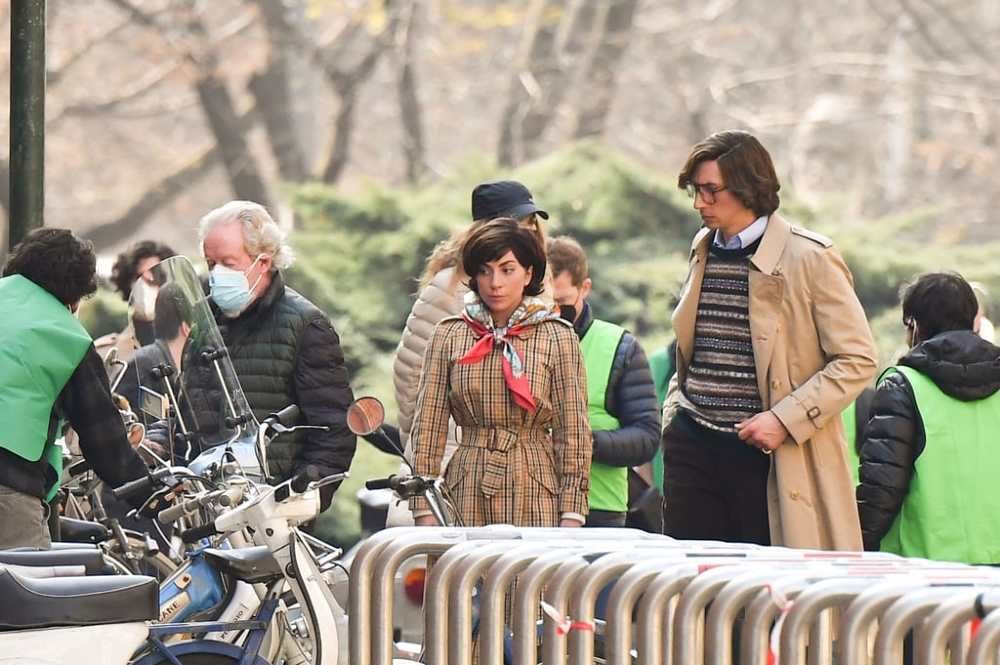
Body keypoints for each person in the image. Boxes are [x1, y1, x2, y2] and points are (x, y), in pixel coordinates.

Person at [663, 129, 877, 549]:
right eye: (695, 190)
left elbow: (857, 359)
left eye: (710, 191)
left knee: (764, 584)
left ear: (747, 187)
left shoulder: (810, 257)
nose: (699, 203)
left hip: (766, 453)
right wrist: (675, 411)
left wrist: (784, 419)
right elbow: (692, 349)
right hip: (692, 444)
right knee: (692, 580)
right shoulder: (702, 247)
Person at [388, 180, 551, 526]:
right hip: (455, 459)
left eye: (531, 224)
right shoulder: (450, 288)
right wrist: (437, 438)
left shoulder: (537, 288)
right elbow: (411, 373)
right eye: (517, 223)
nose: (527, 232)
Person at [409, 218, 591, 527]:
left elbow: (573, 432)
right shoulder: (449, 334)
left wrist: (572, 513)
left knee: (531, 562)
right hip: (465, 484)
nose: (495, 283)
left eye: (507, 270)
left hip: (536, 485)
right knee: (463, 561)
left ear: (528, 273)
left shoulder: (557, 336)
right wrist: (423, 507)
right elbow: (428, 426)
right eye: (485, 270)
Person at [194, 201, 356, 507]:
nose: (216, 274)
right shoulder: (204, 320)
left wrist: (297, 498)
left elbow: (332, 429)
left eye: (228, 262)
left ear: (264, 261)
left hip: (273, 508)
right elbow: (186, 403)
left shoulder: (305, 324)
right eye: (210, 263)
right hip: (206, 499)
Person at [0, 228, 149, 549]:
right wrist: (153, 496)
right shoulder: (65, 336)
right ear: (75, 294)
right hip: (7, 486)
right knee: (27, 579)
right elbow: (105, 443)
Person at [857, 272, 1000, 563]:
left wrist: (859, 544)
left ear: (914, 325)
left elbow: (882, 486)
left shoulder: (902, 385)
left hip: (920, 566)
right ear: (973, 320)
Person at [548, 235, 659, 527]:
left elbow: (646, 438)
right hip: (528, 504)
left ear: (584, 288)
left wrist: (584, 442)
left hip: (598, 510)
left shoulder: (620, 347)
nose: (552, 314)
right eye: (543, 303)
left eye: (561, 303)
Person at [95, 240, 177, 377]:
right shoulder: (109, 353)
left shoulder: (190, 341)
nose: (146, 285)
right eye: (139, 277)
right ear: (128, 282)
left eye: (155, 275)